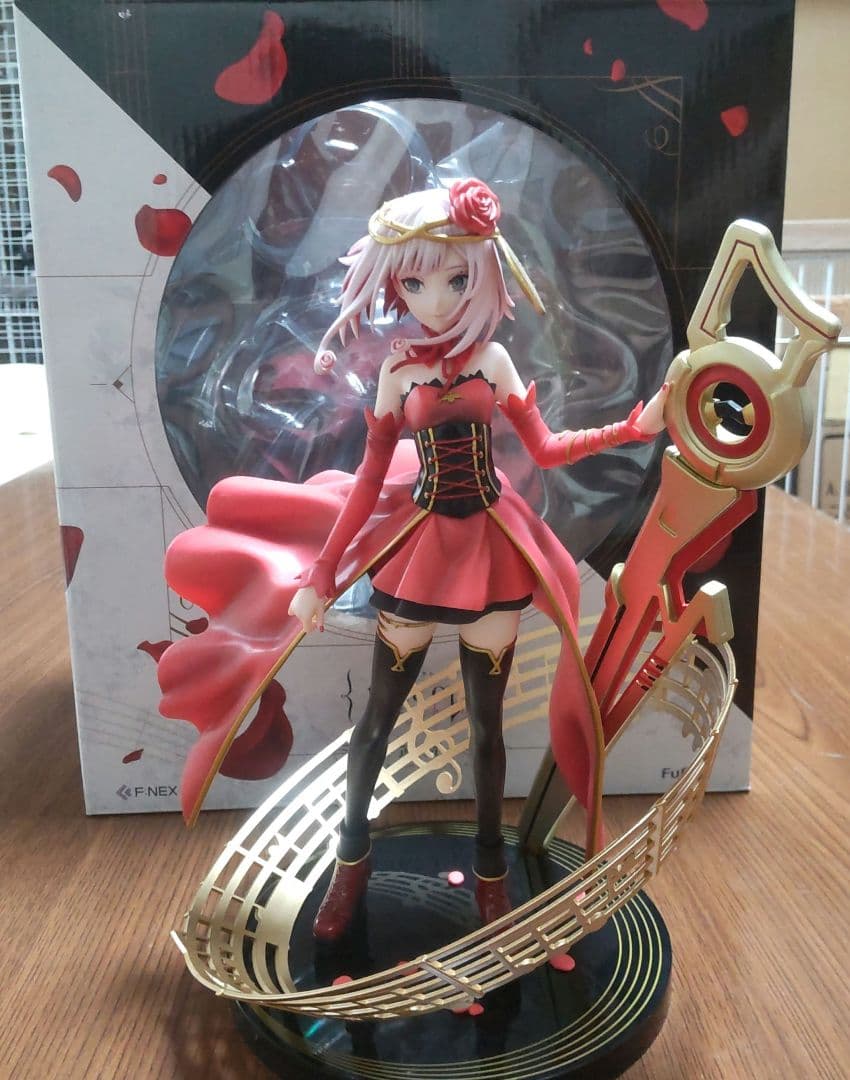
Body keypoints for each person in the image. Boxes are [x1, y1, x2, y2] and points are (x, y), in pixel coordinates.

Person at [158, 178, 666, 943]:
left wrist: (634, 427)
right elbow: (368, 480)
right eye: (416, 283)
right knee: (377, 720)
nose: (436, 299)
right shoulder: (399, 372)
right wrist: (321, 577)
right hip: (420, 551)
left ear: (483, 275)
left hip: (491, 550)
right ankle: (350, 864)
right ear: (394, 285)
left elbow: (546, 450)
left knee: (489, 730)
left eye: (456, 279)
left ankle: (491, 875)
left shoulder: (494, 361)